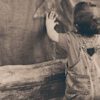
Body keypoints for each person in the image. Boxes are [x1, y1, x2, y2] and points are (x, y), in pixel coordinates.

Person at [46, 1, 100, 100]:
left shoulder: (70, 40)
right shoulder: (99, 39)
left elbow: (53, 35)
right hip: (97, 91)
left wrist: (49, 23)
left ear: (76, 26)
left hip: (78, 95)